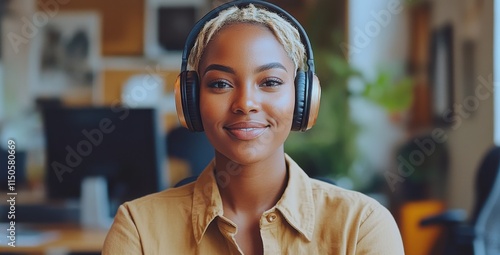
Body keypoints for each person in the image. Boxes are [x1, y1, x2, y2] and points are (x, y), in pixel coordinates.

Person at [102, 1, 405, 254]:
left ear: (303, 98)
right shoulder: (139, 228)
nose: (245, 103)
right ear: (191, 101)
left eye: (270, 82)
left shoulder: (361, 225)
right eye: (220, 83)